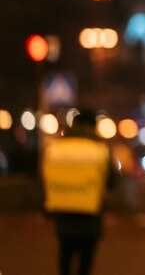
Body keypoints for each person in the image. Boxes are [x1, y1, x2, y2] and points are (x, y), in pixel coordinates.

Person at [41, 109, 116, 275]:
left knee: (65, 255)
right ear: (94, 126)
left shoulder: (55, 147)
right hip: (91, 214)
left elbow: (45, 179)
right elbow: (112, 181)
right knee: (85, 262)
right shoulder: (100, 150)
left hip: (63, 212)